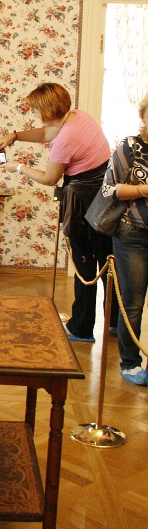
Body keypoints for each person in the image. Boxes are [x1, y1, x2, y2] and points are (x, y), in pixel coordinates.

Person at [0, 82, 116, 343]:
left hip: (83, 202)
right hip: (105, 199)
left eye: (38, 109)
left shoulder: (65, 139)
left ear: (47, 110)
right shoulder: (79, 117)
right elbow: (46, 133)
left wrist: (18, 167)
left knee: (84, 266)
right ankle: (116, 322)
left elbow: (50, 178)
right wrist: (14, 136)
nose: (36, 113)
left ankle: (82, 328)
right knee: (109, 261)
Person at [101, 92, 148, 385]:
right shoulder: (130, 147)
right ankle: (130, 364)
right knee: (133, 304)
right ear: (143, 116)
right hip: (134, 235)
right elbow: (109, 189)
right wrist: (144, 190)